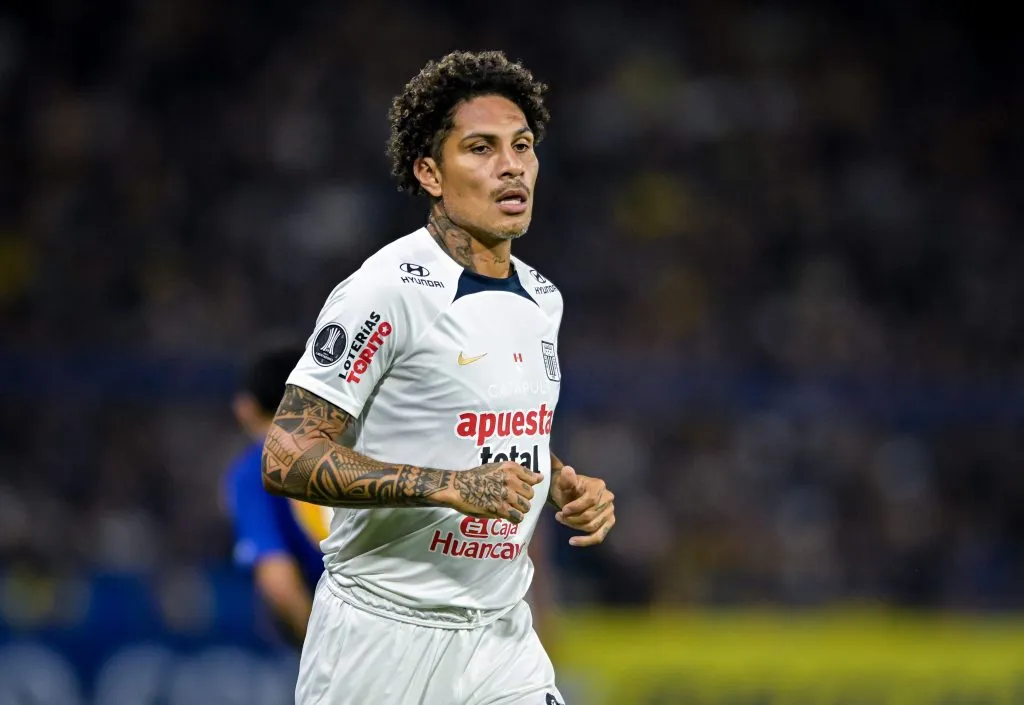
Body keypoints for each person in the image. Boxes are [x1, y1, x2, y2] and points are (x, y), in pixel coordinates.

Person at [262, 50, 616, 705]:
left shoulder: (544, 299)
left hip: (500, 643)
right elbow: (286, 454)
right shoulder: (385, 291)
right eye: (480, 148)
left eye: (522, 146)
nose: (511, 165)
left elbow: (481, 424)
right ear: (429, 171)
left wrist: (559, 477)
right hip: (379, 640)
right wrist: (449, 486)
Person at [223, 343, 328, 646]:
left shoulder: (254, 473)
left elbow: (278, 579)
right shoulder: (348, 447)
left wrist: (321, 655)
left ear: (245, 407)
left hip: (346, 626)